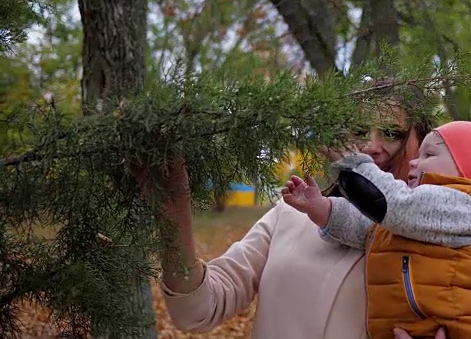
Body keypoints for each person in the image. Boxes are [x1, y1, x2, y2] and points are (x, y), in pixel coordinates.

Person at [138, 81, 451, 339]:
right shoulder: (292, 214)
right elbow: (197, 310)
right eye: (358, 130)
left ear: (421, 142)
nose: (370, 145)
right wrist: (173, 211)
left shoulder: (445, 234)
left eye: (392, 133)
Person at [282, 121, 471, 339]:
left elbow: (392, 204)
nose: (415, 161)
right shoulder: (414, 217)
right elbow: (369, 228)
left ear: (468, 170)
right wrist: (322, 208)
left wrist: (354, 164)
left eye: (429, 155)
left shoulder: (462, 205)